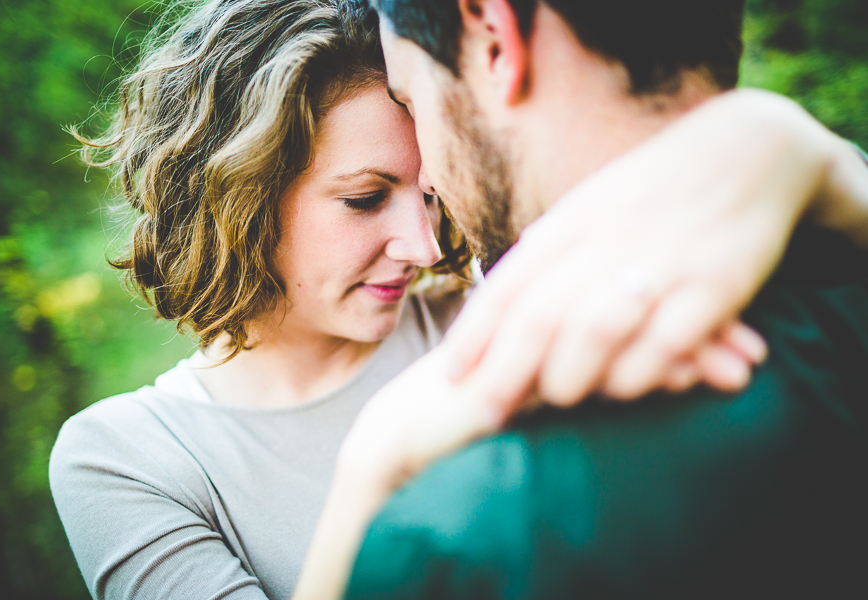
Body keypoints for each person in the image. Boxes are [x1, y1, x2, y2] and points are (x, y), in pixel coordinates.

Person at [50, 2, 766, 598]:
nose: (424, 249)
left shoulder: (490, 312)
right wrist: (373, 475)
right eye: (364, 199)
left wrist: (791, 148)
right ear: (233, 201)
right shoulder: (127, 459)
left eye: (429, 195)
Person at [314, 1, 868, 598]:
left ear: (495, 36)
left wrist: (367, 473)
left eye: (411, 98)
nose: (426, 179)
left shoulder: (463, 532)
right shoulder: (843, 264)